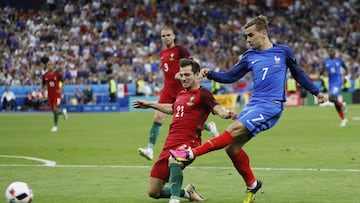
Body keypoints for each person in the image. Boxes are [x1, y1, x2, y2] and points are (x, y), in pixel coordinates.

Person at [169, 15, 328, 203]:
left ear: (264, 33)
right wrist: (211, 74)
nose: (248, 40)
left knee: (232, 129)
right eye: (246, 36)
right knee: (232, 148)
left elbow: (298, 74)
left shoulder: (283, 52)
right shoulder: (249, 56)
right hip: (253, 104)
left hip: (271, 105)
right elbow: (230, 76)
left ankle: (189, 153)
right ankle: (253, 184)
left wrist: (316, 92)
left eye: (250, 35)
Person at [132, 59, 237, 203]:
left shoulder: (203, 94)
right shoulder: (181, 94)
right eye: (181, 75)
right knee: (153, 191)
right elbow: (173, 108)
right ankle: (187, 193)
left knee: (174, 160)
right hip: (169, 144)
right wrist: (150, 104)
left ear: (196, 75)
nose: (183, 78)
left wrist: (227, 114)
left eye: (187, 75)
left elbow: (218, 109)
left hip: (189, 142)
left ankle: (174, 200)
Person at [138, 26, 219, 161]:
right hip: (167, 90)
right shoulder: (162, 54)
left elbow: (192, 63)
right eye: (163, 36)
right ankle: (150, 149)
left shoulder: (180, 50)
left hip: (181, 90)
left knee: (184, 118)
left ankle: (207, 126)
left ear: (173, 36)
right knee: (158, 117)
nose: (166, 38)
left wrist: (181, 74)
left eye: (168, 35)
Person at [320, 44, 348, 127]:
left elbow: (346, 69)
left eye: (332, 50)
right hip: (331, 83)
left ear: (335, 52)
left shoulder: (339, 60)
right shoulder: (326, 62)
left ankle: (342, 105)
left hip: (338, 81)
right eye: (329, 50)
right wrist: (321, 75)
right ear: (328, 52)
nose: (331, 51)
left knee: (331, 97)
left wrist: (345, 77)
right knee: (334, 101)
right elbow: (322, 71)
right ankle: (344, 119)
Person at [42, 61, 68, 132]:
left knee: (55, 108)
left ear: (53, 66)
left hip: (57, 95)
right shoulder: (45, 76)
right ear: (47, 66)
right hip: (50, 95)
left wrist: (61, 89)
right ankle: (63, 112)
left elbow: (64, 82)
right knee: (54, 111)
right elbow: (43, 85)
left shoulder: (57, 74)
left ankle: (55, 126)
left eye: (51, 65)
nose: (49, 66)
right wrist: (44, 93)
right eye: (48, 65)